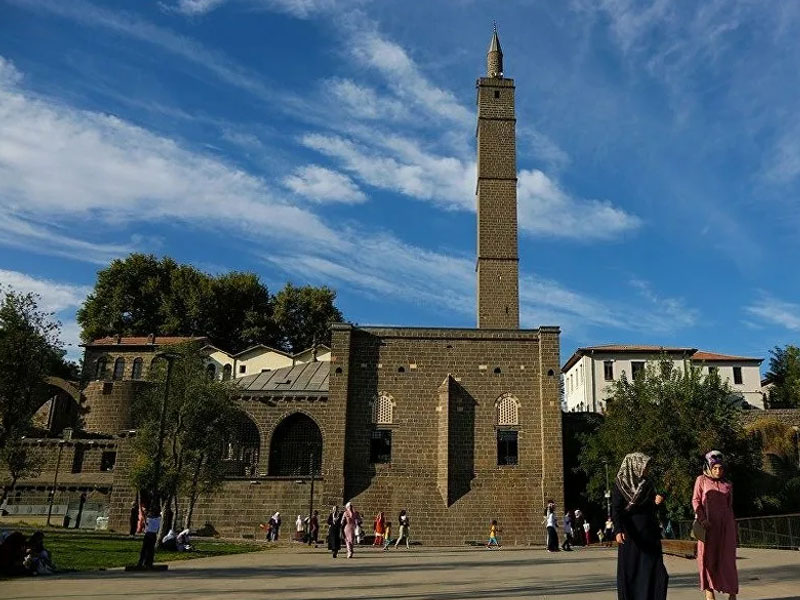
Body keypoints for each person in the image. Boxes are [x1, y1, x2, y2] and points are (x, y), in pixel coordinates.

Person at [612, 452, 668, 600]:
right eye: (644, 466)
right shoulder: (620, 484)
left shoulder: (647, 483)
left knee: (657, 572)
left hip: (649, 533)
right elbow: (616, 509)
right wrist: (618, 530)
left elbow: (652, 508)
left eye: (647, 466)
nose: (646, 469)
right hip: (631, 536)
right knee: (633, 573)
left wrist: (657, 502)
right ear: (634, 466)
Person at [693, 450, 739, 600]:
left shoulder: (728, 484)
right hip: (708, 527)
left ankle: (732, 593)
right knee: (708, 559)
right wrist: (702, 518)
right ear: (708, 466)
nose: (718, 471)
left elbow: (729, 505)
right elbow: (696, 501)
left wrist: (731, 525)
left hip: (726, 527)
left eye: (720, 468)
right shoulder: (701, 480)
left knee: (728, 560)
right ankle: (708, 591)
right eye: (715, 468)